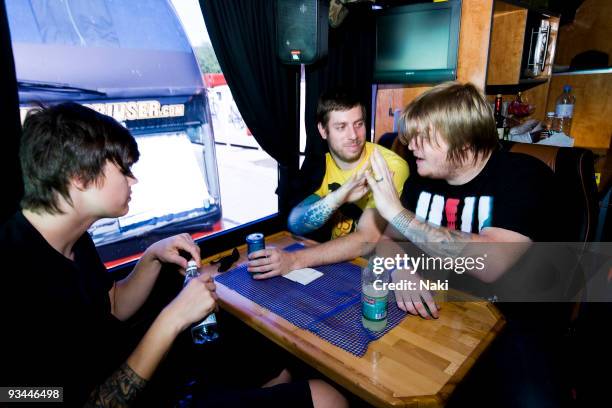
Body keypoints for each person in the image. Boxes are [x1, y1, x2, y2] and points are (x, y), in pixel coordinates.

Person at [0, 103, 346, 408]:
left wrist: (151, 257)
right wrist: (172, 319)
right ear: (78, 178)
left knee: (271, 364)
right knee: (326, 397)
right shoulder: (14, 274)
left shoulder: (73, 238)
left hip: (150, 378)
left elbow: (113, 305)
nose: (133, 181)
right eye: (122, 170)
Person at [365, 82, 570, 406]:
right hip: (438, 312)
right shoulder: (423, 177)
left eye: (423, 137)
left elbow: (489, 263)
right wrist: (401, 269)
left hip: (510, 328)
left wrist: (399, 215)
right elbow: (387, 241)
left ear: (464, 137)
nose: (410, 145)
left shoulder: (523, 176)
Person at [247, 88, 409, 278]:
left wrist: (293, 260)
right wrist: (340, 196)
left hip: (375, 270)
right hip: (335, 262)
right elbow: (296, 223)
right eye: (341, 127)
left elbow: (367, 238)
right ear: (323, 131)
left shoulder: (389, 165)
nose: (353, 136)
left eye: (358, 124)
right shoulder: (321, 164)